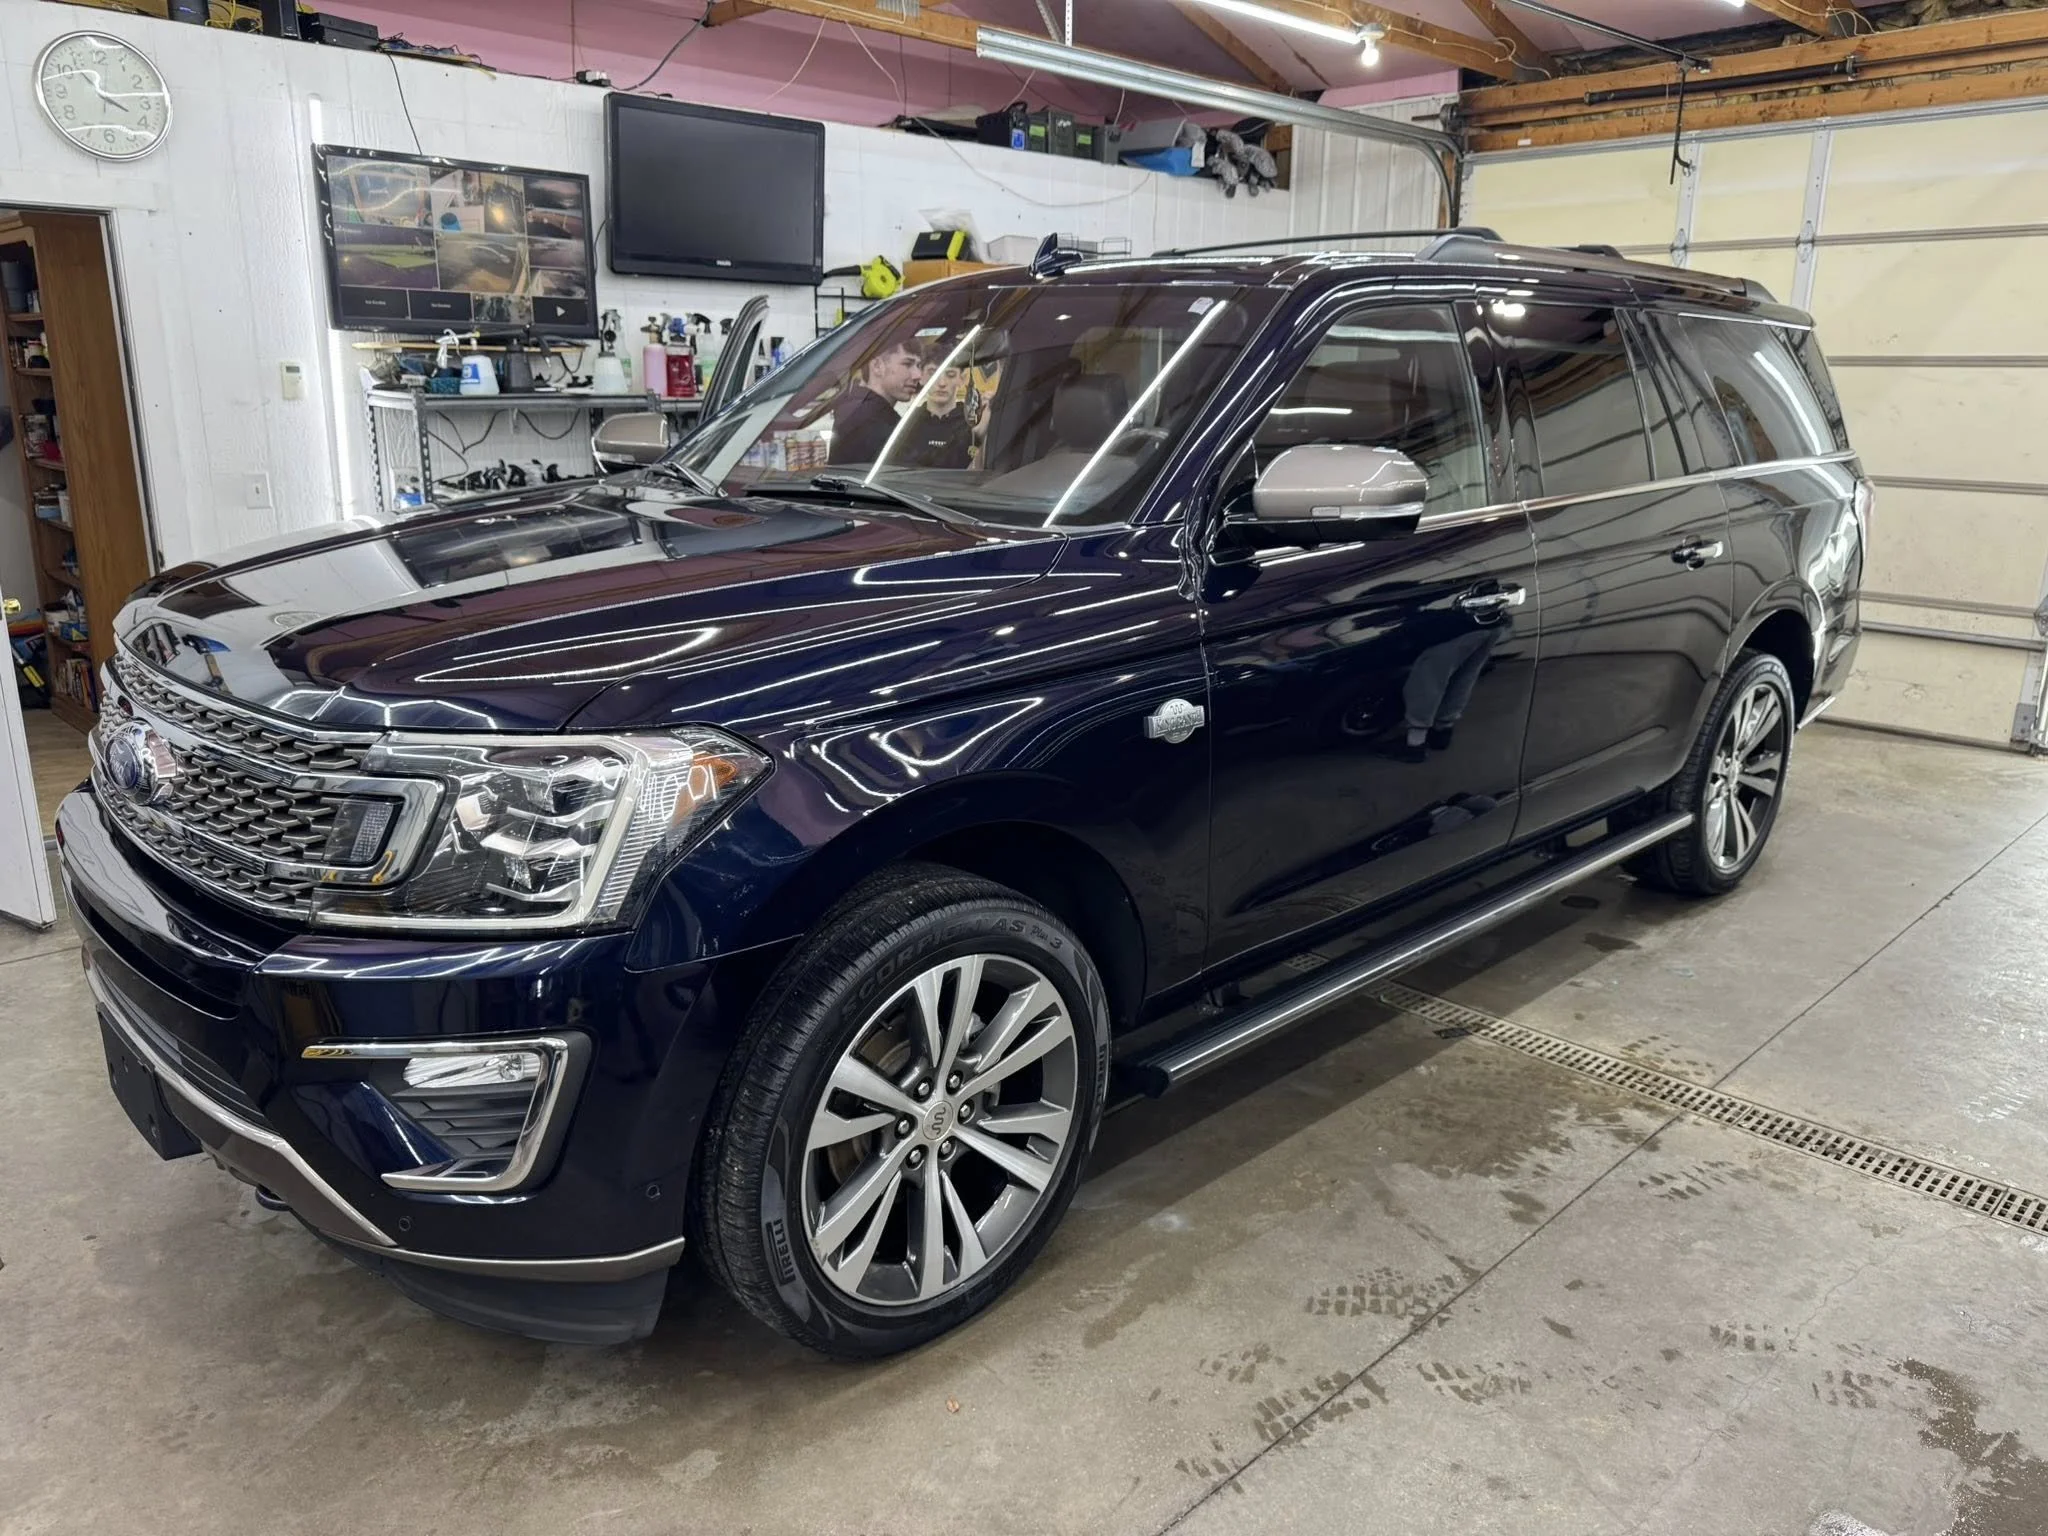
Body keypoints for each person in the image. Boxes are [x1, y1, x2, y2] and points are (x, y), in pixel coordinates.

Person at [828, 340, 928, 465]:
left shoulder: (853, 408)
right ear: (877, 366)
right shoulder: (874, 422)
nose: (917, 375)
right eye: (907, 364)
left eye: (918, 366)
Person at [898, 362, 974, 469]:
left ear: (962, 379)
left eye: (950, 375)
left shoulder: (972, 424)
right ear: (921, 377)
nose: (942, 383)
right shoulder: (906, 424)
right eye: (933, 374)